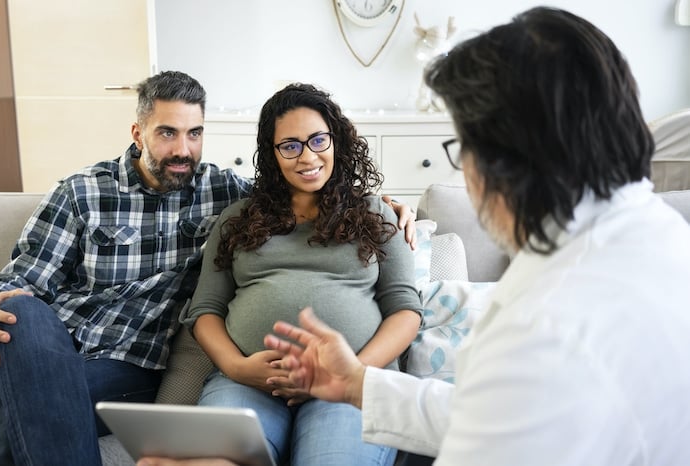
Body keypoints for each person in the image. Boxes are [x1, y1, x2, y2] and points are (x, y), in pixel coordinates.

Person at [262, 7, 690, 466]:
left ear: (513, 157)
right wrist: (356, 383)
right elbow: (498, 414)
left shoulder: (544, 323)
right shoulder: (662, 236)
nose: (464, 171)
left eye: (464, 147)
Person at [0, 70, 417, 466]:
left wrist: (391, 208)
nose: (183, 149)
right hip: (58, 349)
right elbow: (23, 277)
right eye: (167, 133)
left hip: (131, 363)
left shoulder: (224, 192)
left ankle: (27, 400)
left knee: (8, 426)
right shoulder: (83, 192)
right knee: (21, 309)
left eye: (194, 133)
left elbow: (309, 182)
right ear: (137, 132)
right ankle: (32, 385)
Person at [176, 83, 423, 466]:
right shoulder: (238, 218)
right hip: (249, 383)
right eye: (290, 146)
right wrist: (237, 367)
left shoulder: (375, 214)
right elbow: (205, 310)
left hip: (349, 386)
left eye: (318, 140)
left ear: (336, 141)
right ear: (273, 155)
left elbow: (406, 310)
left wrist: (353, 373)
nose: (307, 156)